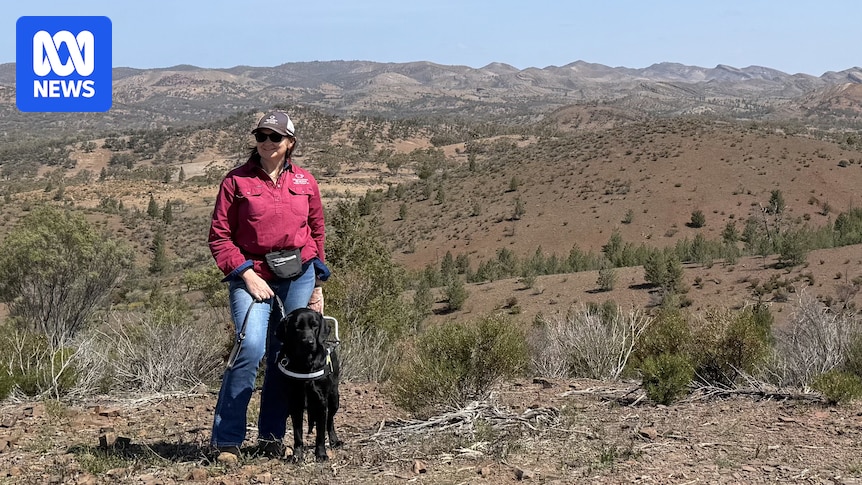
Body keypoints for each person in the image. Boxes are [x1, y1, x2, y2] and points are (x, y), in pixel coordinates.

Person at [208, 110, 328, 460]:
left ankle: (272, 437)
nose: (266, 142)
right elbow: (219, 237)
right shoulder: (236, 182)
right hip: (253, 275)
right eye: (261, 136)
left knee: (285, 356)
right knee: (251, 348)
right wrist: (246, 275)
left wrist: (318, 283)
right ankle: (227, 440)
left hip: (300, 274)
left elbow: (317, 233)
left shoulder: (305, 182)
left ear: (289, 142)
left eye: (274, 137)